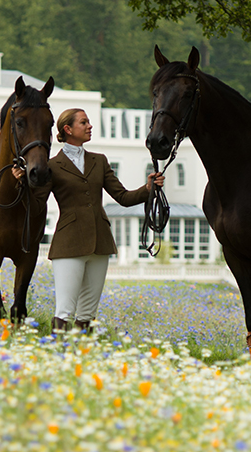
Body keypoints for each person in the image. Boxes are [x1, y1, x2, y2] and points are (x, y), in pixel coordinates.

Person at [14, 108, 164, 332]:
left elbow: (123, 197)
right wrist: (22, 186)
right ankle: (61, 356)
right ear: (68, 129)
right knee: (64, 311)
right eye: (84, 122)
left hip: (100, 242)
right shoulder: (52, 166)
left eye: (88, 122)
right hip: (68, 244)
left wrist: (147, 188)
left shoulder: (100, 161)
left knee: (87, 313)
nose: (89, 126)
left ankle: (83, 357)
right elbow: (36, 206)